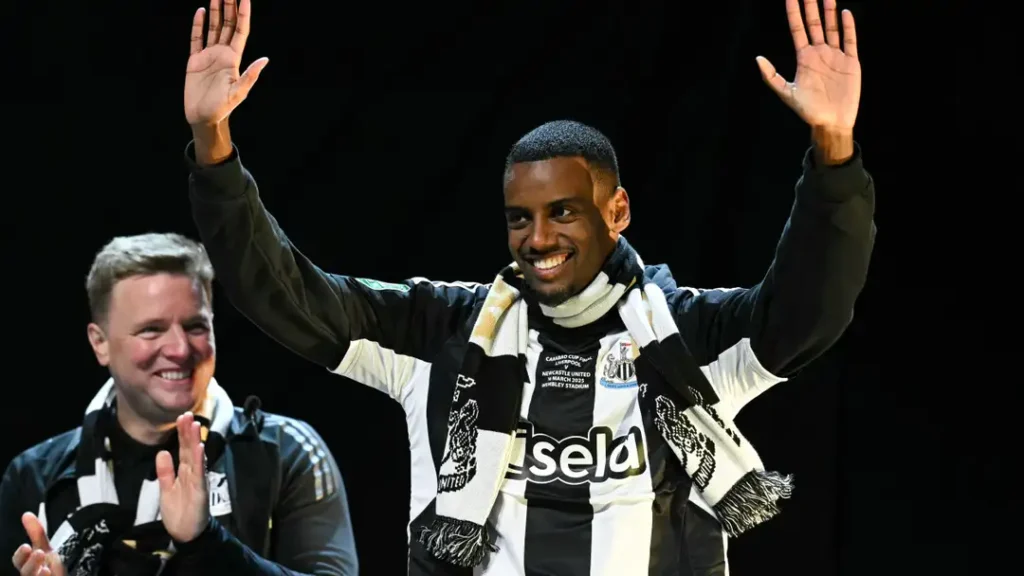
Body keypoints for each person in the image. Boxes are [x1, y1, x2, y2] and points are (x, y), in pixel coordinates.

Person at [181, 0, 874, 574]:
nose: (538, 238)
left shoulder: (687, 335)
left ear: (617, 211)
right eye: (520, 218)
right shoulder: (443, 331)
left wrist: (833, 151)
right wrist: (213, 145)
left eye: (563, 212)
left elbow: (811, 309)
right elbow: (285, 295)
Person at [2, 233, 359, 576]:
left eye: (195, 326)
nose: (179, 349)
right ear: (100, 343)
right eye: (151, 329)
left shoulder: (285, 452)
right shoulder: (35, 476)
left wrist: (207, 542)